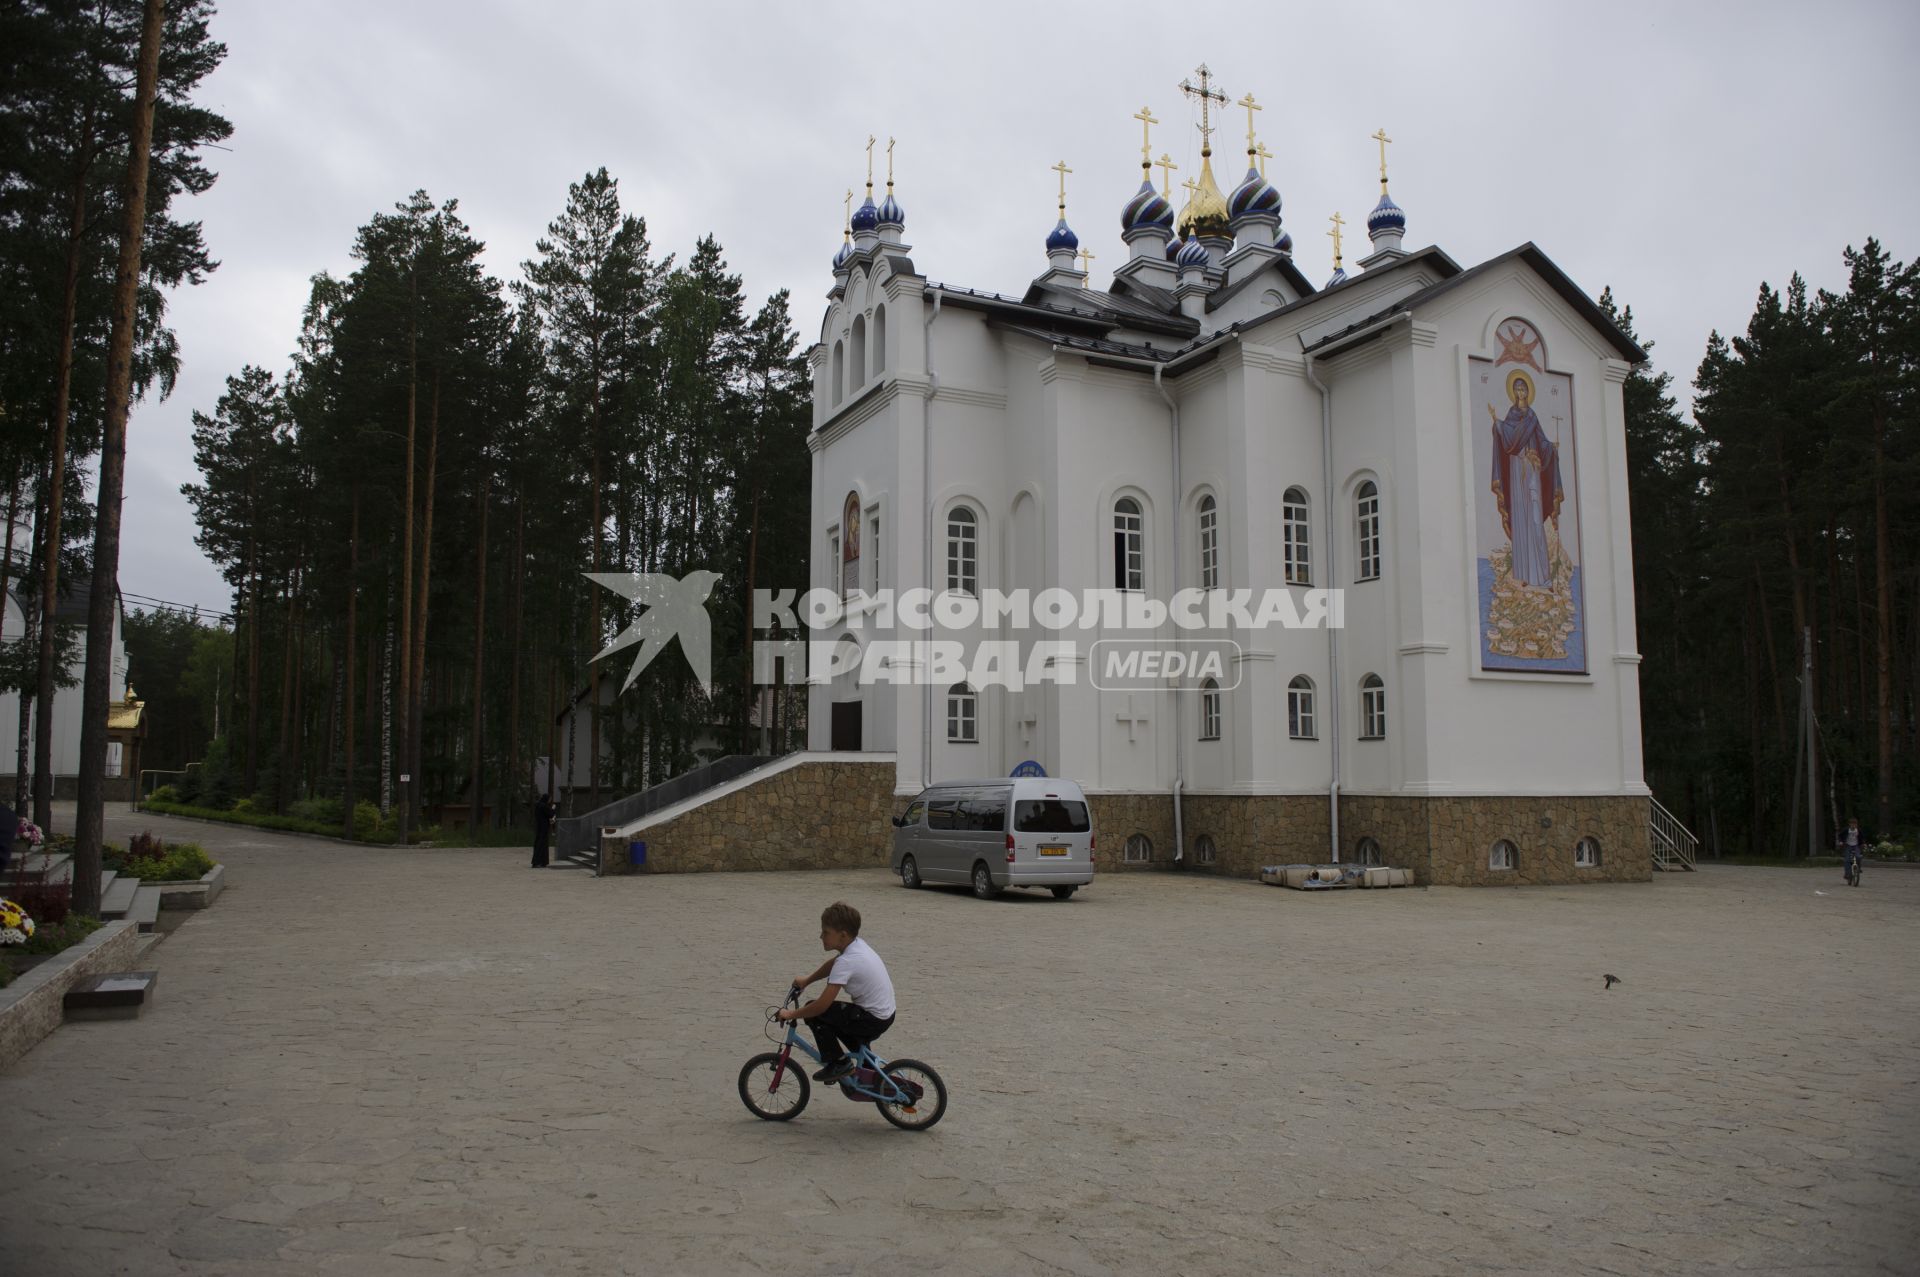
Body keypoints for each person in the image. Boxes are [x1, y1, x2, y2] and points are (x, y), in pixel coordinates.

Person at [777, 901, 895, 1084]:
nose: (820, 936)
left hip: (871, 1019)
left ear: (842, 935)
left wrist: (792, 1014)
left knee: (816, 1013)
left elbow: (822, 1006)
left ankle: (838, 1063)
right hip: (883, 1014)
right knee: (839, 1020)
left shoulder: (847, 961)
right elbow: (832, 965)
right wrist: (807, 980)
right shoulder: (856, 945)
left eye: (825, 932)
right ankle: (868, 1072)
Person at [1487, 369, 1565, 589]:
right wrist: (1498, 425)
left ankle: (1543, 575)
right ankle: (1524, 574)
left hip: (1532, 473)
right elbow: (1508, 440)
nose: (1520, 392)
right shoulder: (1511, 416)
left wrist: (1551, 449)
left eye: (1523, 388)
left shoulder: (1532, 417)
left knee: (1534, 519)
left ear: (1528, 391)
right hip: (1515, 472)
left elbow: (1541, 441)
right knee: (1520, 521)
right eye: (1517, 388)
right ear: (1513, 391)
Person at [531, 791, 554, 868]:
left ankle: (539, 861)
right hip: (544, 827)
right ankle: (539, 862)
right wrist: (553, 809)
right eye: (549, 799)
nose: (550, 800)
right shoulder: (544, 806)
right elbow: (550, 814)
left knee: (538, 844)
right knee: (542, 844)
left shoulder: (538, 805)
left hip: (539, 827)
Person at [1840, 816, 1864, 882]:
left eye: (1855, 824)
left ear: (1856, 824)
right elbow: (1840, 835)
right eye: (1852, 824)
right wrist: (1841, 841)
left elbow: (1862, 838)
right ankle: (1847, 874)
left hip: (1856, 845)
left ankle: (1858, 868)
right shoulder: (1846, 830)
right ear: (1849, 824)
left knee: (1858, 857)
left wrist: (1863, 843)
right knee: (1847, 860)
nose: (1853, 825)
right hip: (1848, 845)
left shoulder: (1858, 830)